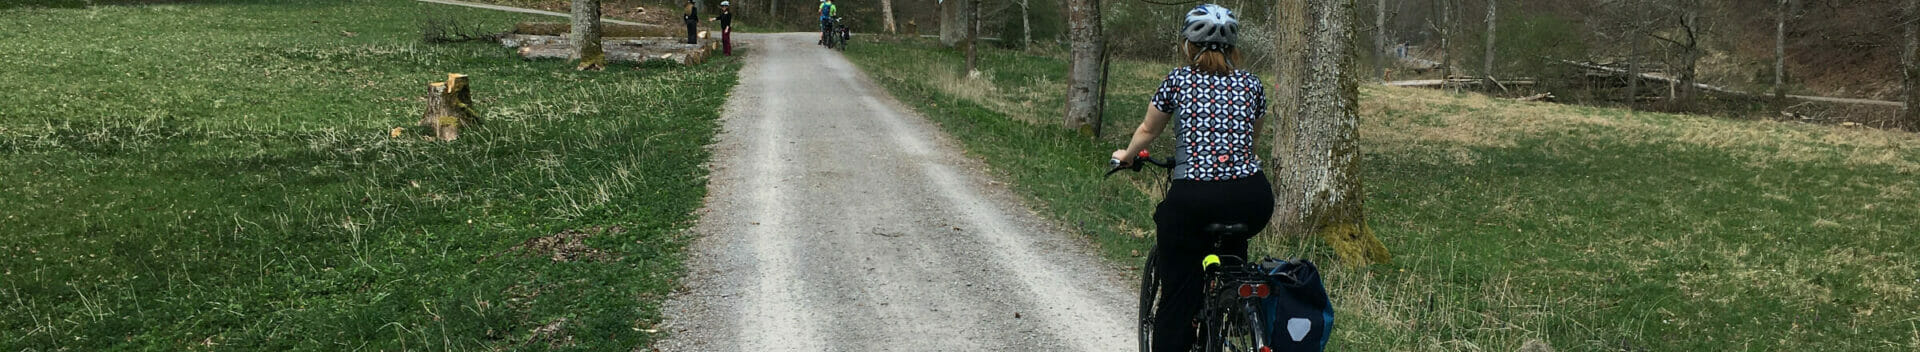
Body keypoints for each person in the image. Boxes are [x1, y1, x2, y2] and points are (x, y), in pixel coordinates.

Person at [1107, 4, 1270, 352]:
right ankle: (1232, 308)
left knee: (1178, 297)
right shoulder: (1252, 85)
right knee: (1233, 259)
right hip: (1253, 198)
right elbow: (1251, 140)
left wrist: (1127, 155)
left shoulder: (1177, 80)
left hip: (1193, 199)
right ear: (1234, 48)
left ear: (1188, 46)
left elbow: (1149, 129)